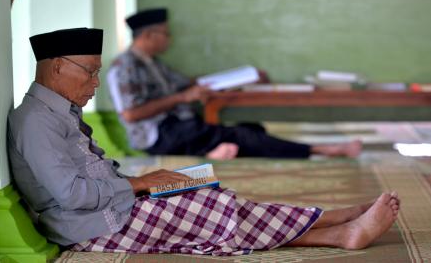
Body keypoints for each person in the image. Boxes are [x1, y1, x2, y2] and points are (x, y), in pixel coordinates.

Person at [7, 28, 400, 255]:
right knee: (211, 208)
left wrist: (144, 184)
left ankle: (334, 227)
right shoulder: (35, 122)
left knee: (202, 186)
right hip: (93, 225)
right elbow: (72, 195)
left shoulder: (60, 113)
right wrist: (141, 183)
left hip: (111, 207)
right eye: (90, 73)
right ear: (57, 66)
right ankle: (334, 224)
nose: (96, 83)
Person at [107, 8, 362, 160]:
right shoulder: (125, 67)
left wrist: (243, 78)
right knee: (243, 135)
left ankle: (212, 153)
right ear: (149, 35)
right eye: (166, 33)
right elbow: (130, 114)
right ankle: (324, 149)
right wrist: (181, 98)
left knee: (252, 129)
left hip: (181, 126)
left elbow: (193, 83)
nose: (169, 39)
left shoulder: (154, 63)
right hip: (159, 136)